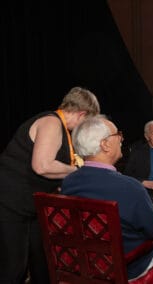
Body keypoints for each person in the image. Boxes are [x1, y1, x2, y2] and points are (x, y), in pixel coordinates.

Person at [0, 87, 100, 284]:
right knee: (14, 268)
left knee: (43, 263)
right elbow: (42, 166)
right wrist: (80, 172)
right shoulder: (52, 122)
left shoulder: (60, 128)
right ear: (82, 114)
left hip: (31, 206)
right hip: (10, 204)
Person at [61, 115, 153, 279]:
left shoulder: (68, 182)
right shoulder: (131, 188)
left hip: (84, 263)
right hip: (127, 268)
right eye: (117, 134)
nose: (121, 138)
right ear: (105, 144)